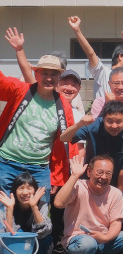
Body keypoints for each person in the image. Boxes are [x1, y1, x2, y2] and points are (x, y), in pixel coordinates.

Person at [0, 53, 74, 194]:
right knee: (3, 206)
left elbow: (66, 143)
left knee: (41, 207)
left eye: (54, 74)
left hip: (39, 169)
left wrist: (56, 177)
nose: (49, 78)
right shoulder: (20, 90)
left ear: (59, 77)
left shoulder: (64, 106)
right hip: (6, 163)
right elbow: (1, 83)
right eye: (44, 73)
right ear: (36, 74)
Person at [55, 151, 123, 254]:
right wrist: (74, 176)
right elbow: (58, 203)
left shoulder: (116, 193)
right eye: (100, 172)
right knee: (88, 244)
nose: (104, 177)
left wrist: (105, 238)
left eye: (108, 173)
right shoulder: (78, 186)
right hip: (79, 240)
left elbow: (115, 224)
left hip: (103, 240)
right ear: (89, 172)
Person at [61, 101, 123, 192]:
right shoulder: (94, 126)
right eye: (109, 121)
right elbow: (64, 138)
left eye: (119, 122)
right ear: (103, 119)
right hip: (89, 179)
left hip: (112, 183)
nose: (114, 126)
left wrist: (119, 194)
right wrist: (79, 124)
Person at [0, 172, 52, 254]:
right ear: (15, 191)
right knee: (17, 232)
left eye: (29, 188)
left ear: (35, 190)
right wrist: (10, 209)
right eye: (21, 188)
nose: (25, 192)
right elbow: (9, 235)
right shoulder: (9, 205)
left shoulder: (42, 205)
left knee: (47, 237)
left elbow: (43, 232)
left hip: (36, 244)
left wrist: (34, 206)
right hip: (15, 247)